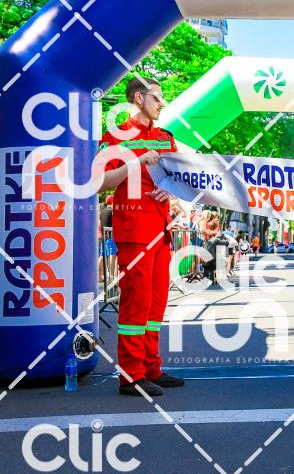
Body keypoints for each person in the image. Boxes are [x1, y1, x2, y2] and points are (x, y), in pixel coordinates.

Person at [98, 76, 184, 397]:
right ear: (138, 98)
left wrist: (170, 190)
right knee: (136, 303)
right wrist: (134, 163)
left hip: (161, 231)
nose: (162, 103)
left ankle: (151, 369)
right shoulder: (116, 136)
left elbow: (180, 178)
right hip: (134, 231)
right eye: (156, 97)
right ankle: (130, 376)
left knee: (155, 304)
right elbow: (99, 182)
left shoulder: (165, 137)